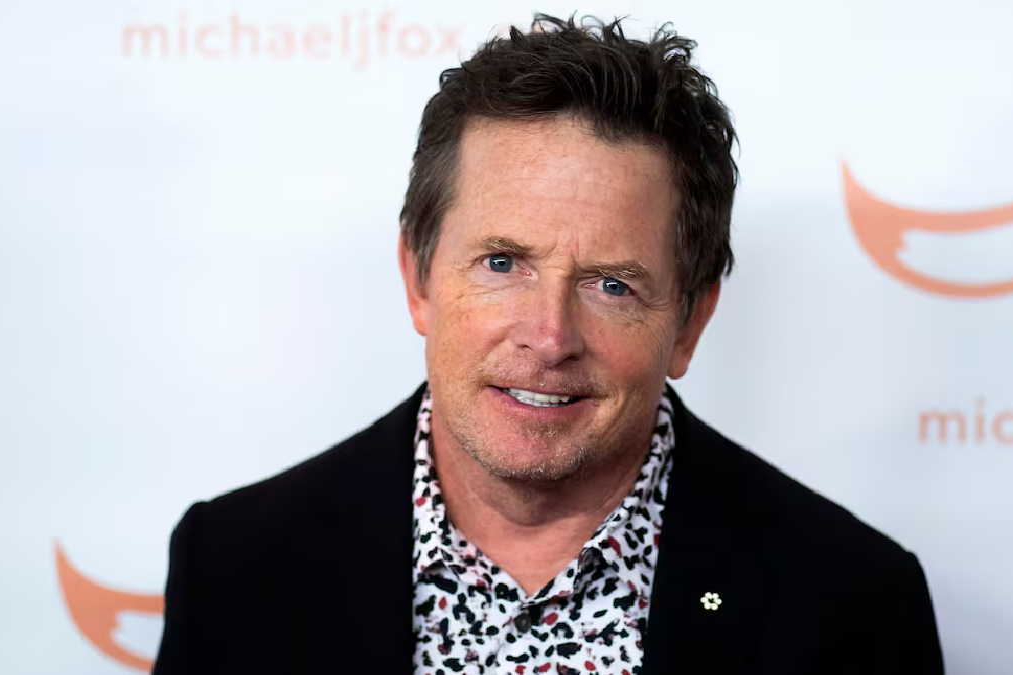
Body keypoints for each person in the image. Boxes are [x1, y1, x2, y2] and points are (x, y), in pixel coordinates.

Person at [152, 14, 944, 675]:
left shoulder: (855, 604)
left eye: (612, 284)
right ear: (418, 277)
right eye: (502, 263)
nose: (550, 336)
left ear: (690, 322)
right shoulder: (233, 567)